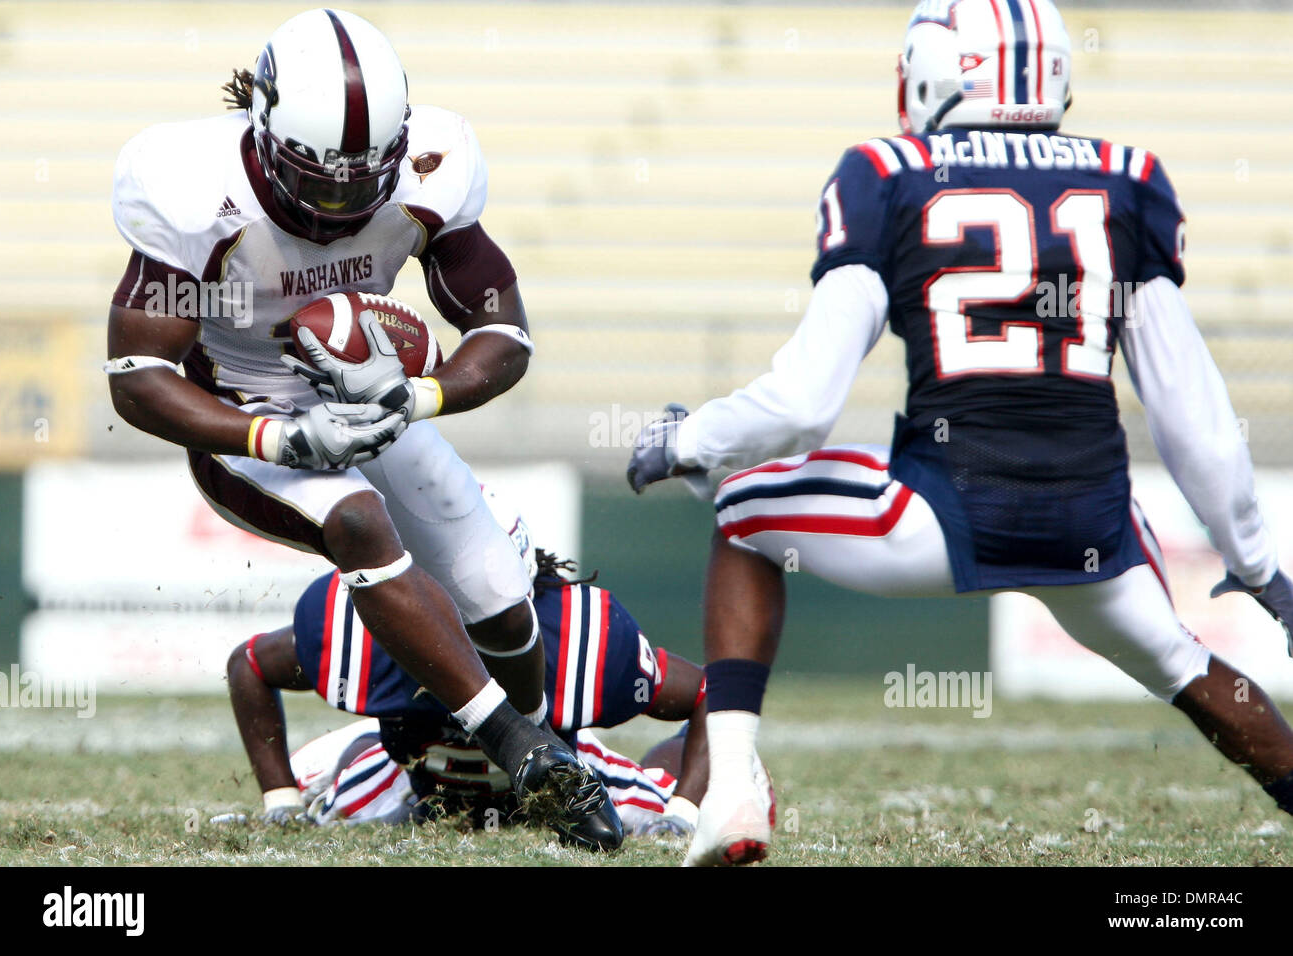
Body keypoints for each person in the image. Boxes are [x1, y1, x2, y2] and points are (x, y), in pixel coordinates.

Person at [628, 0, 1293, 866]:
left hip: (944, 512)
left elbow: (801, 405)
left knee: (744, 508)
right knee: (1185, 667)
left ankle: (732, 790)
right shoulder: (1126, 178)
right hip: (1091, 525)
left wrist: (693, 442)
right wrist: (1256, 564)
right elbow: (1194, 413)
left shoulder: (887, 173)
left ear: (941, 71)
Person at [107, 7, 619, 849]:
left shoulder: (431, 168)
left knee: (499, 593)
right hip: (247, 418)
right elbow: (138, 379)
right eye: (322, 176)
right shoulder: (192, 187)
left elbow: (505, 334)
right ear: (265, 131)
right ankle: (518, 747)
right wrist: (278, 441)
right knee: (356, 522)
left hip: (372, 397)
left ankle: (543, 764)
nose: (342, 197)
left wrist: (420, 398)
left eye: (362, 177)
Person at [228, 494, 726, 839]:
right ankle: (344, 755)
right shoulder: (356, 623)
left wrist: (681, 812)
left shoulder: (582, 641)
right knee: (329, 793)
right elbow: (249, 663)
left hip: (565, 784)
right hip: (411, 786)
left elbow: (712, 692)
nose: (466, 611)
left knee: (687, 803)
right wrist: (281, 800)